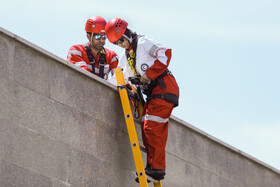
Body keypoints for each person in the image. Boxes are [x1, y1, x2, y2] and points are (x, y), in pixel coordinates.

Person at [105, 18, 179, 181]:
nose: (120, 45)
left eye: (121, 40)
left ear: (126, 33)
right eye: (116, 44)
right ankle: (153, 167)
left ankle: (157, 169)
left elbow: (165, 53)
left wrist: (148, 75)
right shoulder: (127, 56)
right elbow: (121, 75)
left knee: (152, 128)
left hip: (164, 87)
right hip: (153, 94)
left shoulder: (144, 43)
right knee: (147, 129)